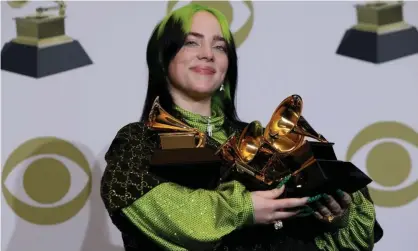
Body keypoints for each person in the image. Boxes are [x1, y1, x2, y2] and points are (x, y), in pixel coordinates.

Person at [100, 3, 383, 251]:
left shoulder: (262, 138)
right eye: (191, 42)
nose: (207, 54)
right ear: (163, 58)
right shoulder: (139, 140)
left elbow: (351, 241)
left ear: (227, 66)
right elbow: (151, 208)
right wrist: (244, 209)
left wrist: (337, 215)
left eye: (220, 46)